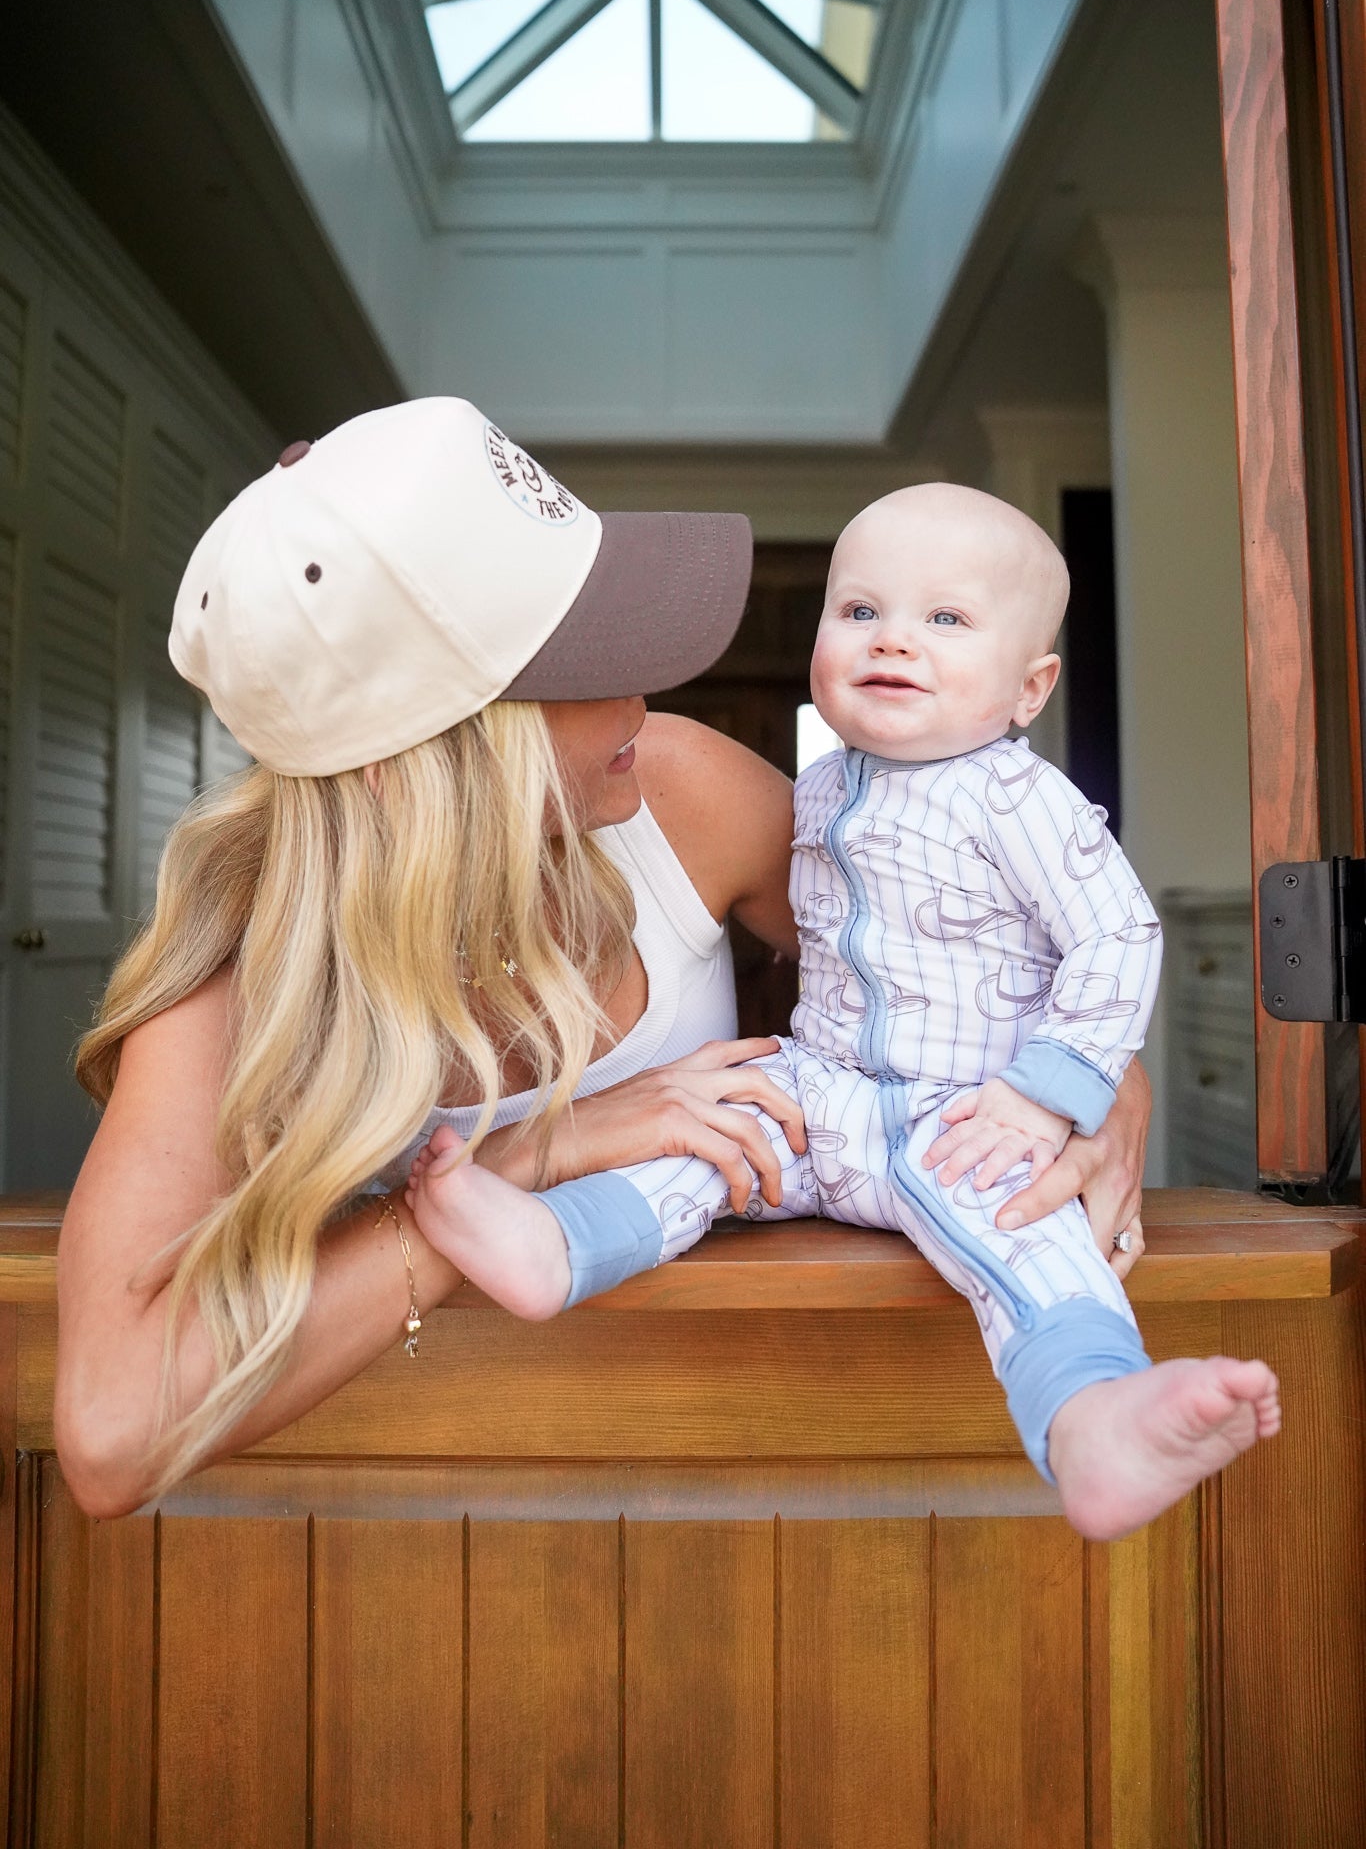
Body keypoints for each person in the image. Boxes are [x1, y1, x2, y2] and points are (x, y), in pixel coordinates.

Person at [54, 403, 1150, 1519]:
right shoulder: (231, 983)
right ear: (430, 754)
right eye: (584, 657)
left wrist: (1098, 1087)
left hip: (746, 1468)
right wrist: (539, 1153)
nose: (643, 690)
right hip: (420, 1529)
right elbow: (110, 1431)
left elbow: (982, 942)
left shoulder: (676, 785)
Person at [408, 483, 1279, 1541]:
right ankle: (555, 1243)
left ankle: (1092, 1417)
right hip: (823, 1092)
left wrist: (1059, 1088)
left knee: (1031, 1240)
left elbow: (1118, 940)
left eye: (945, 620)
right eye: (860, 611)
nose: (893, 641)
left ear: (1029, 686)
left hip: (973, 1111)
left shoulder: (1022, 799)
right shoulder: (818, 792)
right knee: (709, 1133)